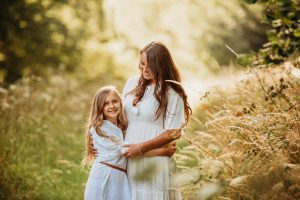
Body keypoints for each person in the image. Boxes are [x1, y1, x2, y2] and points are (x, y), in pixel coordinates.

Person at [121, 41, 192, 200]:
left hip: (155, 163)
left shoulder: (172, 92)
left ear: (161, 65)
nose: (144, 69)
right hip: (129, 159)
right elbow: (119, 118)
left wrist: (140, 148)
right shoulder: (132, 83)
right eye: (142, 63)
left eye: (150, 65)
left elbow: (172, 133)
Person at [83, 86, 176, 200]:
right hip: (105, 176)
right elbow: (127, 151)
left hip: (119, 177)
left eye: (115, 101)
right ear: (99, 107)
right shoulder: (101, 128)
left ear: (121, 103)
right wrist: (162, 151)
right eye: (106, 103)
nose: (112, 106)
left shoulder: (119, 126)